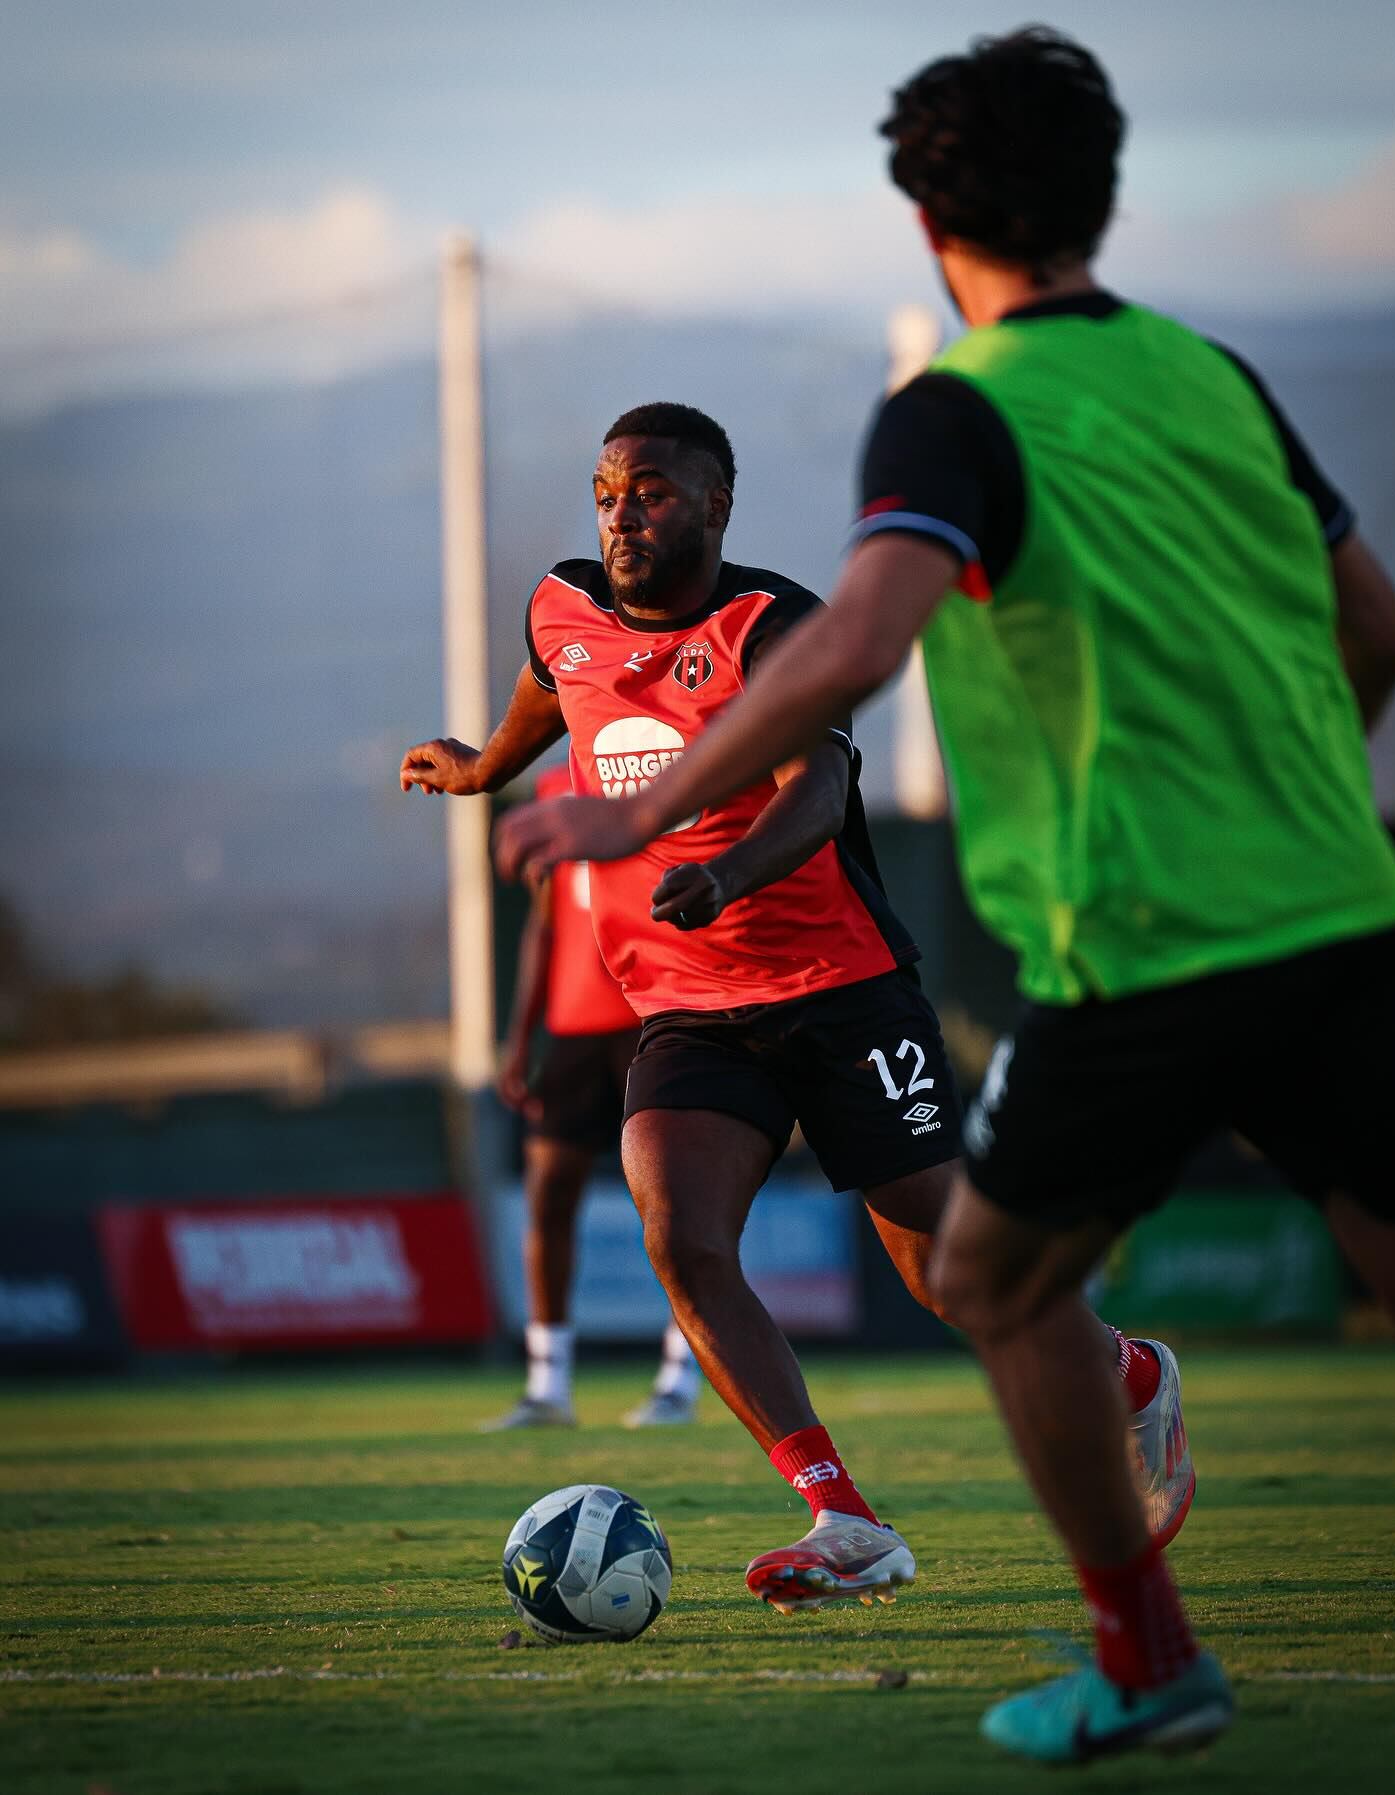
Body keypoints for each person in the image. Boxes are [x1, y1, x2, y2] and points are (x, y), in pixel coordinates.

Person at [493, 32, 1395, 1764]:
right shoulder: (1211, 371)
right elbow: (1379, 629)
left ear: (931, 216)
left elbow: (854, 649)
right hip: (1339, 904)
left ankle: (1147, 1658)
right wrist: (1291, 804)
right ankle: (884, 1519)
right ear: (1107, 193)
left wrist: (633, 823)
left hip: (1136, 934)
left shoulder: (959, 407)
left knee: (994, 1286)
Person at [403, 399, 1188, 1614]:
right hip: (685, 1007)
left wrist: (728, 870)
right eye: (608, 492)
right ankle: (844, 1514)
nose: (623, 515)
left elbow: (819, 789)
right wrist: (483, 766)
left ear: (717, 504)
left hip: (841, 990)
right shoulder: (562, 607)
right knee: (681, 1235)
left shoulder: (772, 627)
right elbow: (552, 691)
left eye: (654, 492)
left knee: (957, 1278)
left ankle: (1129, 1373)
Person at [483, 765, 701, 1431]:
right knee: (548, 1195)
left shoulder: (664, 767)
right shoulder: (554, 790)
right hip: (573, 1026)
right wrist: (521, 1036)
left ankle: (681, 1380)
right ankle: (548, 1385)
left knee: (681, 1211)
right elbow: (545, 925)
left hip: (657, 1014)